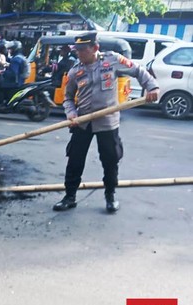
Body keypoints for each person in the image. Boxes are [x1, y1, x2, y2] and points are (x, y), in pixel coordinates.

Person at [53, 32, 160, 213]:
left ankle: (110, 196)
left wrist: (152, 86)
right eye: (76, 50)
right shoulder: (74, 71)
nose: (78, 53)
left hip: (108, 122)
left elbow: (138, 70)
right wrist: (71, 114)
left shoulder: (112, 60)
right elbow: (68, 98)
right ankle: (69, 196)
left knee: (110, 161)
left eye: (82, 50)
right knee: (75, 160)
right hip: (83, 121)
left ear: (95, 48)